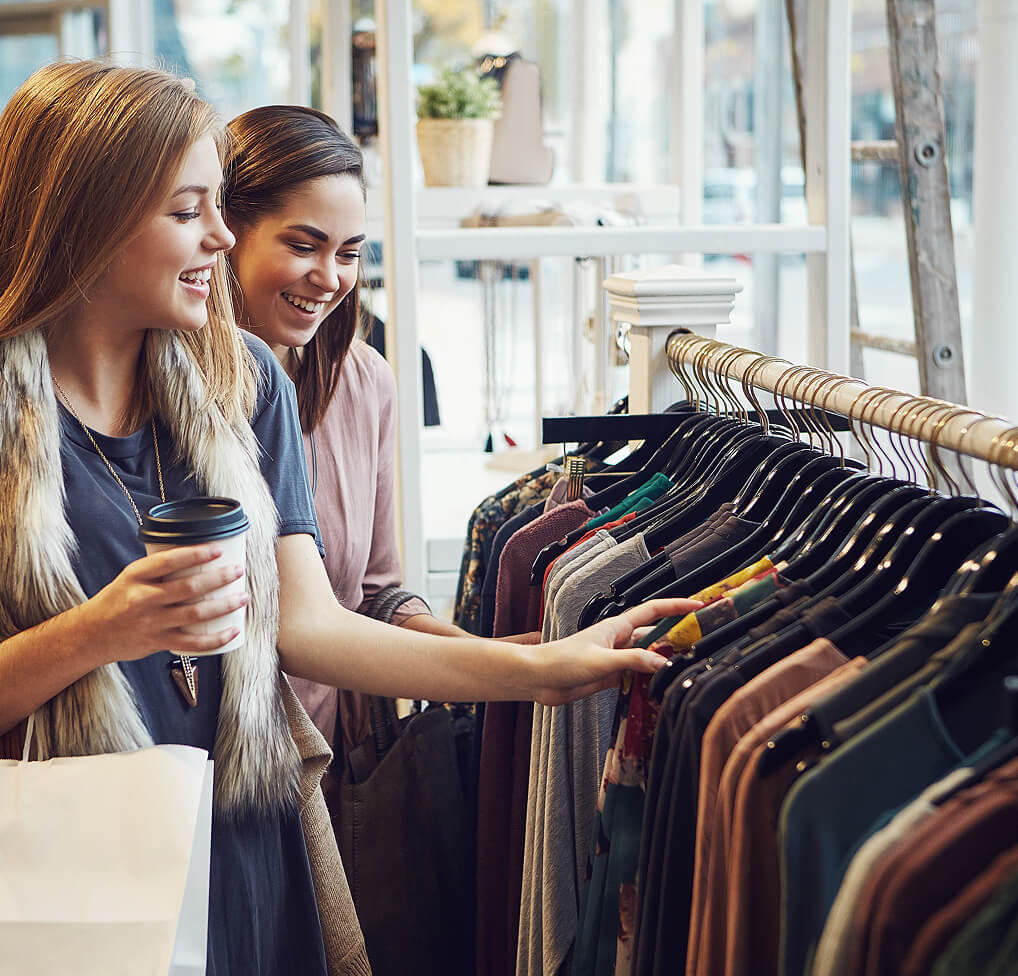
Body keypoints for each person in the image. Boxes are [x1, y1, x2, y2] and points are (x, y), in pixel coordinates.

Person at [0, 60, 697, 975]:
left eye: (218, 205)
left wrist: (546, 666)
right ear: (85, 215)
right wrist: (103, 630)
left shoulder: (242, 387)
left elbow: (314, 626)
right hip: (74, 867)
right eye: (187, 210)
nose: (218, 235)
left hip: (248, 839)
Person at [223, 105, 535, 766]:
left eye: (349, 253)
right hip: (207, 766)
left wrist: (497, 658)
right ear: (228, 231)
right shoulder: (170, 392)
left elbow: (374, 594)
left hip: (326, 761)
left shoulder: (365, 383)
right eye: (303, 245)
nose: (331, 277)